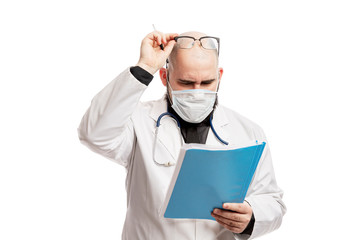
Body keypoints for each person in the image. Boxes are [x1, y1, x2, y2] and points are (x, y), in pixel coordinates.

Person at [78, 30, 286, 240]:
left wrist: (251, 216)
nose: (197, 91)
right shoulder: (137, 121)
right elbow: (93, 133)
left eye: (207, 83)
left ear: (220, 76)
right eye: (186, 83)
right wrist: (144, 68)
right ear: (164, 76)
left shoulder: (248, 131)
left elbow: (272, 201)